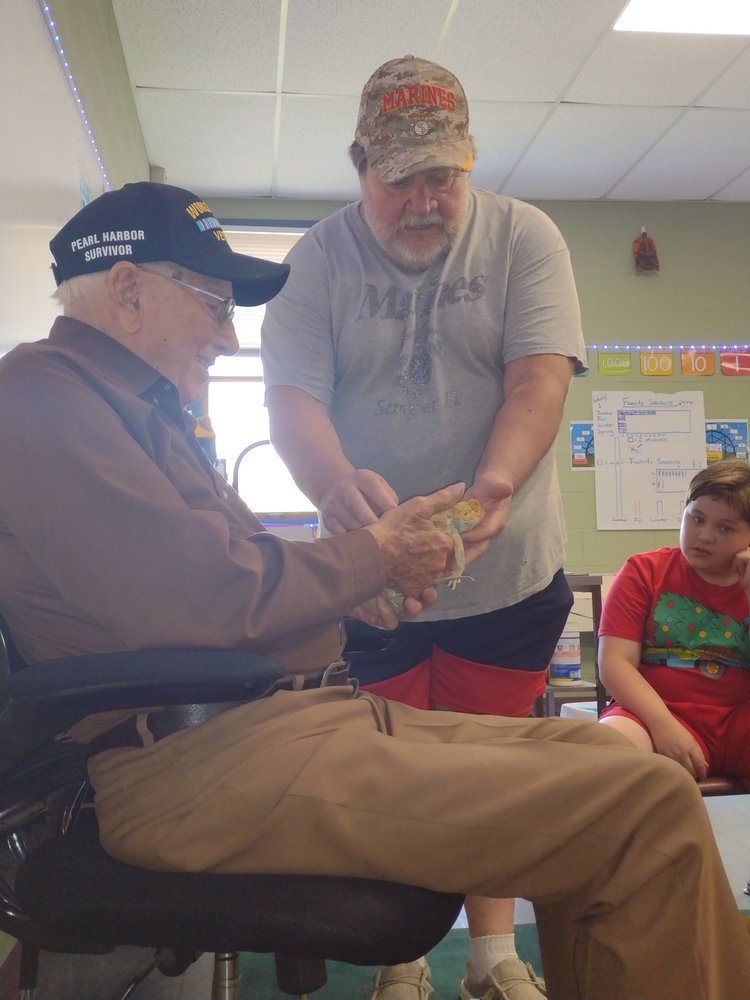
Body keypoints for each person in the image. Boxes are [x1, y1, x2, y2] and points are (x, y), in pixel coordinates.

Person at [1, 183, 749, 1000]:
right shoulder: (43, 396)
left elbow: (222, 578)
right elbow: (199, 597)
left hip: (282, 726)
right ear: (128, 289)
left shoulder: (134, 411)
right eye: (214, 303)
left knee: (615, 759)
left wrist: (355, 589)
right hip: (193, 766)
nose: (227, 335)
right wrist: (372, 558)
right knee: (642, 805)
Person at [260, 55, 584, 999]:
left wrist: (492, 490)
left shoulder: (526, 237)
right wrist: (337, 492)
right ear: (360, 167)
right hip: (372, 572)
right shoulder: (314, 261)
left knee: (488, 767)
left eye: (443, 177)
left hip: (507, 572)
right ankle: (398, 954)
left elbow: (539, 380)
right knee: (391, 767)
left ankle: (493, 955)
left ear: (470, 164)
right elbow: (290, 402)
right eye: (400, 180)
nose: (424, 202)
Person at [598, 459, 750, 788]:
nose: (704, 536)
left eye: (726, 528)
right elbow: (614, 663)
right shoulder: (644, 571)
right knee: (608, 754)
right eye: (697, 519)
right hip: (652, 712)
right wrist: (663, 725)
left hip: (738, 718)